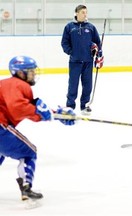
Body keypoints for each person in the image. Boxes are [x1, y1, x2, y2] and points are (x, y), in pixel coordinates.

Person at [0, 56, 76, 201]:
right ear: (20, 73)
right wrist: (46, 115)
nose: (33, 74)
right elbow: (19, 108)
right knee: (29, 153)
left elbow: (29, 108)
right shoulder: (19, 85)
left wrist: (55, 115)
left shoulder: (7, 84)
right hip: (1, 127)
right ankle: (26, 188)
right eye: (30, 71)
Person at [61, 4, 104, 115]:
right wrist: (71, 52)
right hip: (74, 62)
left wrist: (99, 55)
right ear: (77, 13)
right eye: (83, 12)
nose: (85, 15)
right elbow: (64, 43)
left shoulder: (91, 27)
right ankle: (70, 106)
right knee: (73, 85)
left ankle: (84, 105)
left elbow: (98, 43)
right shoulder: (69, 27)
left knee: (87, 85)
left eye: (86, 12)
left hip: (88, 62)